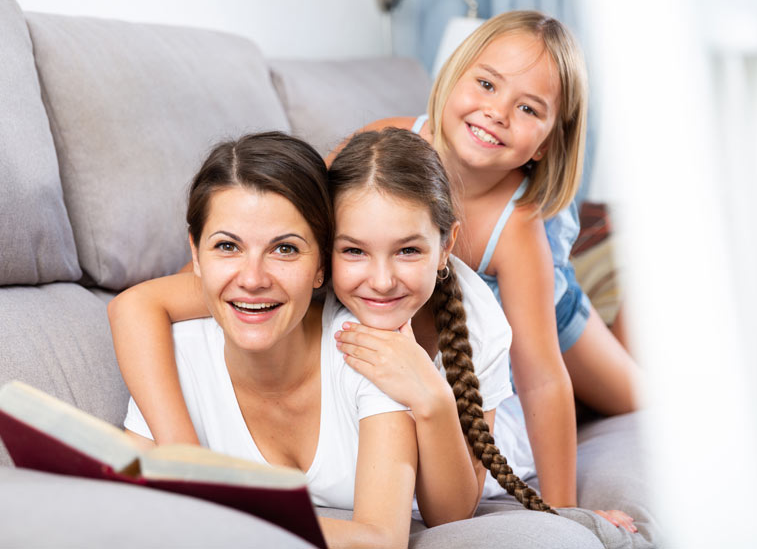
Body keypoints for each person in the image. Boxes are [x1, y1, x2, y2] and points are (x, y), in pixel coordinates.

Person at [109, 128, 634, 533]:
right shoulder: (280, 290)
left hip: (490, 431)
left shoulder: (477, 324)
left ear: (447, 246)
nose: (380, 281)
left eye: (408, 250)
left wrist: (431, 397)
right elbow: (141, 305)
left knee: (626, 391)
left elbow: (453, 511)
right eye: (354, 250)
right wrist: (185, 459)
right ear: (325, 251)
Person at [330, 10, 643, 512]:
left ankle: (643, 284)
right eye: (486, 84)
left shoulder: (515, 226)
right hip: (491, 323)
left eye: (528, 109)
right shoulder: (385, 141)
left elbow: (541, 377)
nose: (497, 112)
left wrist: (563, 515)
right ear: (454, 75)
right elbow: (301, 223)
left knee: (638, 397)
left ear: (547, 143)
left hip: (550, 307)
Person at [113, 132, 418, 549]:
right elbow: (123, 500)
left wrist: (218, 515)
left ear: (321, 265)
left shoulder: (366, 351)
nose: (253, 279)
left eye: (285, 250)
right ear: (196, 255)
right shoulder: (175, 357)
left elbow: (381, 540)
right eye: (226, 246)